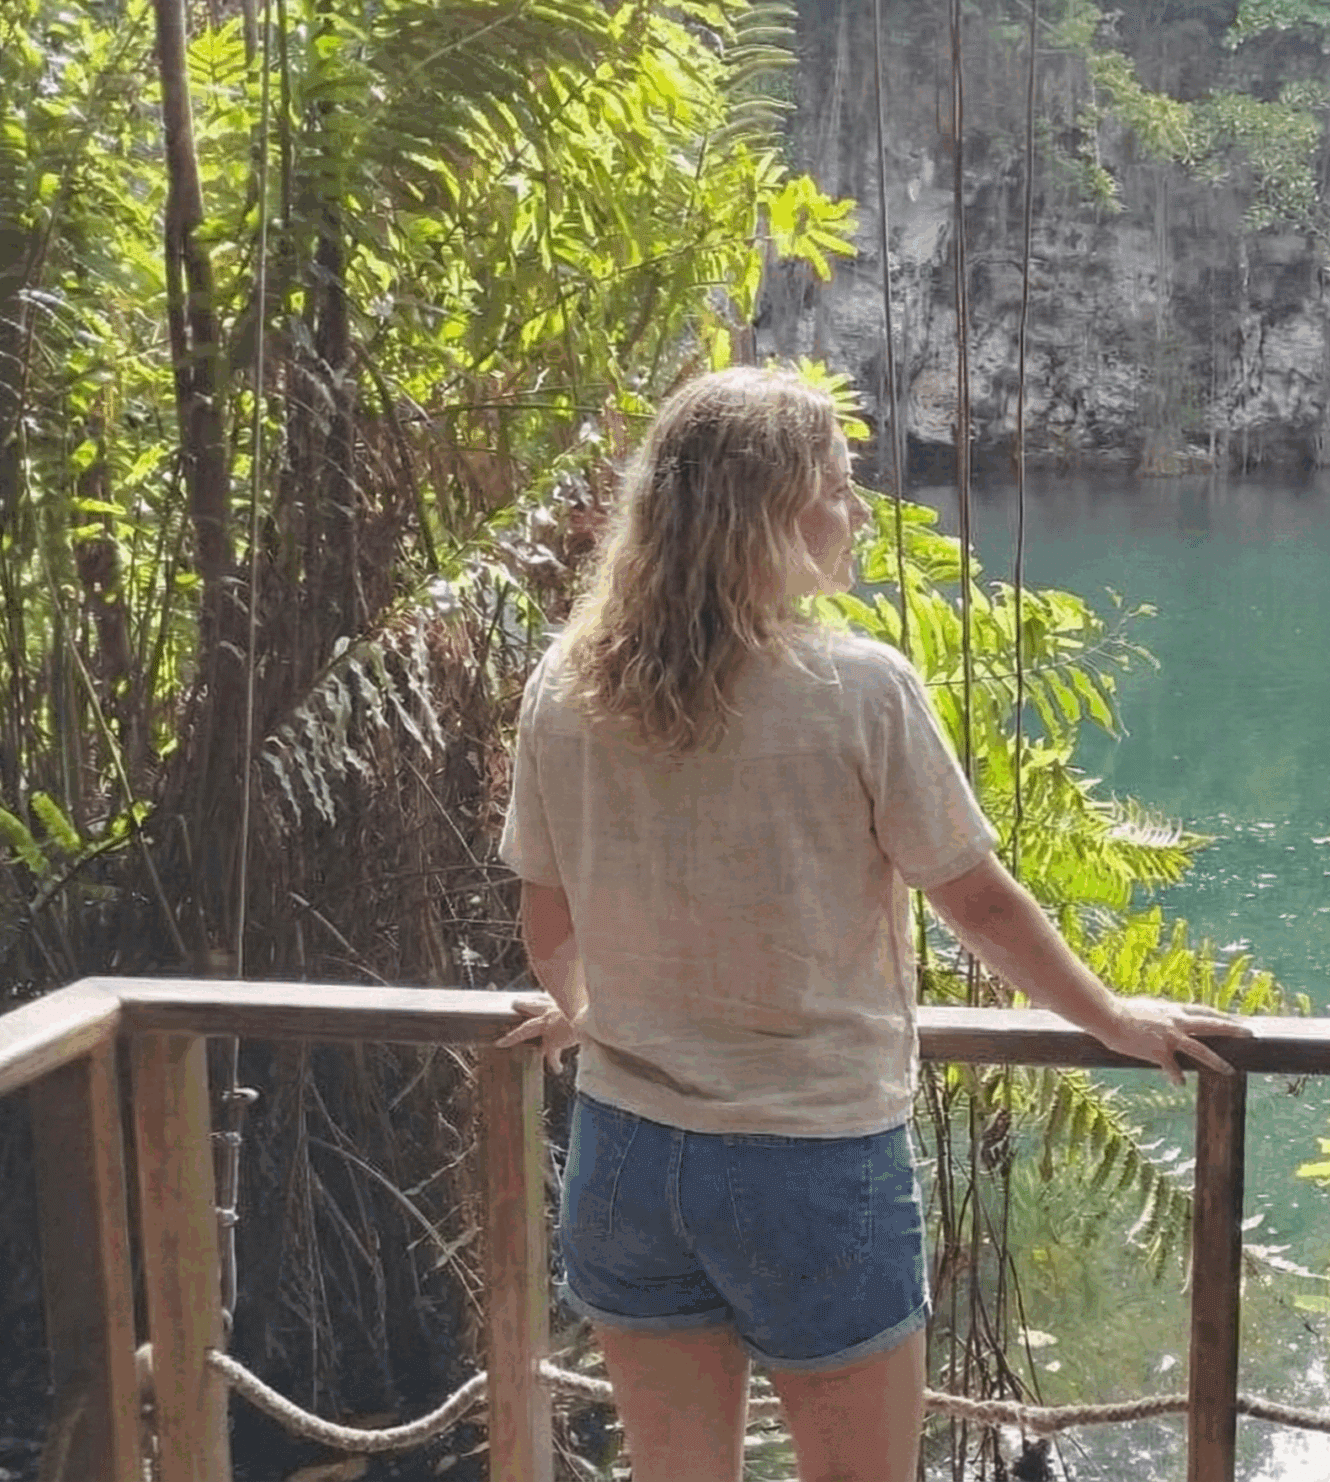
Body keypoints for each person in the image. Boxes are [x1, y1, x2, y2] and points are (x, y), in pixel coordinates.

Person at [495, 366, 1247, 1482]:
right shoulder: (856, 687)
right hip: (810, 1159)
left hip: (625, 1152)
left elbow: (545, 917)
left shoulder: (570, 682)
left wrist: (588, 1015)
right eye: (838, 488)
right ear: (767, 515)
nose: (855, 514)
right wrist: (1113, 1020)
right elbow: (976, 900)